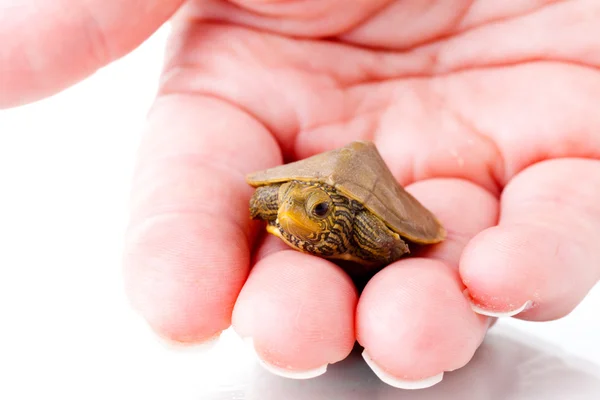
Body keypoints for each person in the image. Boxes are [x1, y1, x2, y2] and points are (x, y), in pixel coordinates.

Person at [2, 0, 599, 390]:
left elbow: (387, 237)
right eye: (288, 205)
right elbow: (265, 200)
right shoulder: (279, 201)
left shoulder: (349, 219)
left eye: (307, 208)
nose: (286, 211)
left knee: (417, 301)